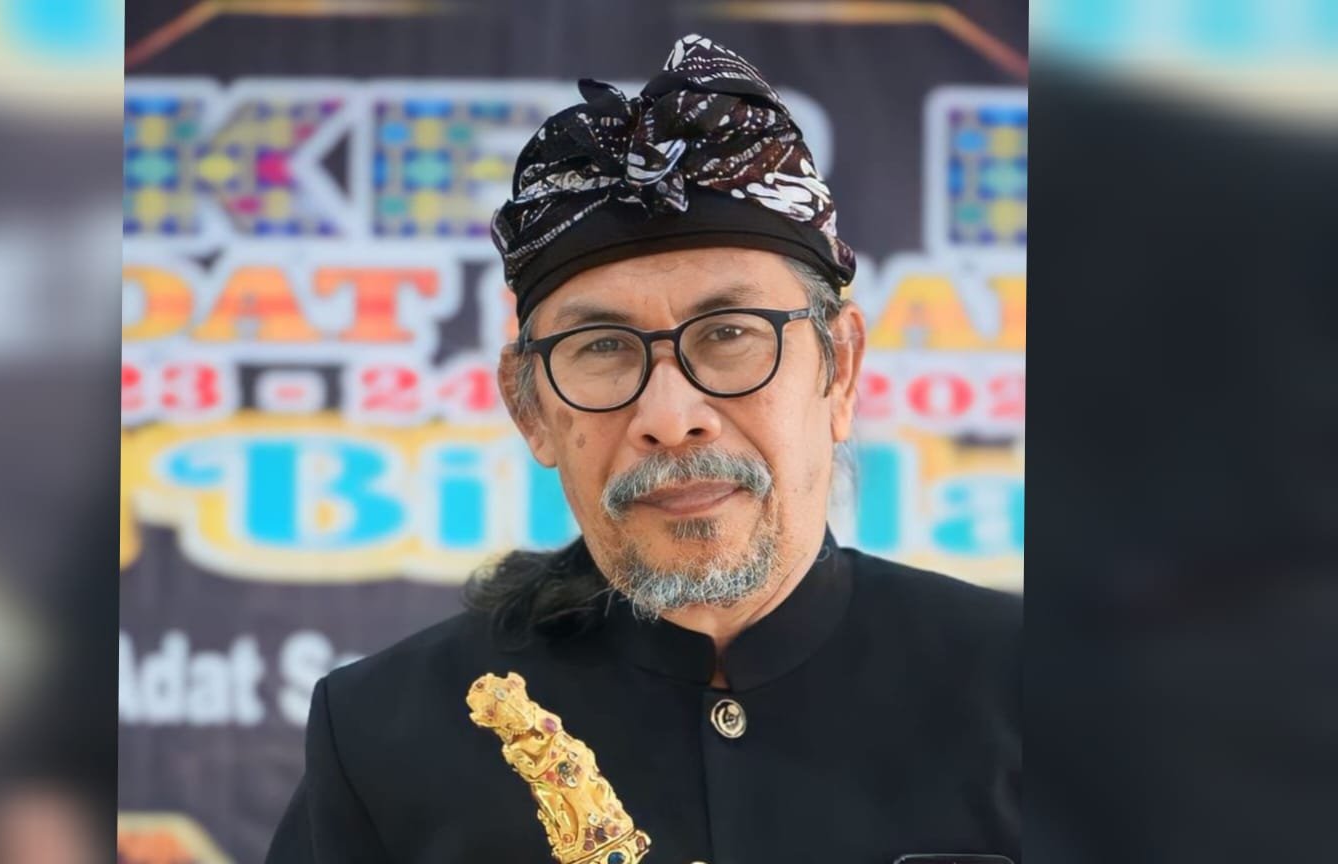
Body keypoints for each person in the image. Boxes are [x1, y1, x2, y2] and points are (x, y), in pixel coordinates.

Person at [266, 34, 1019, 864]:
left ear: (838, 368)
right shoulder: (381, 736)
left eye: (729, 334)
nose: (669, 416)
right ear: (530, 409)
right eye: (602, 348)